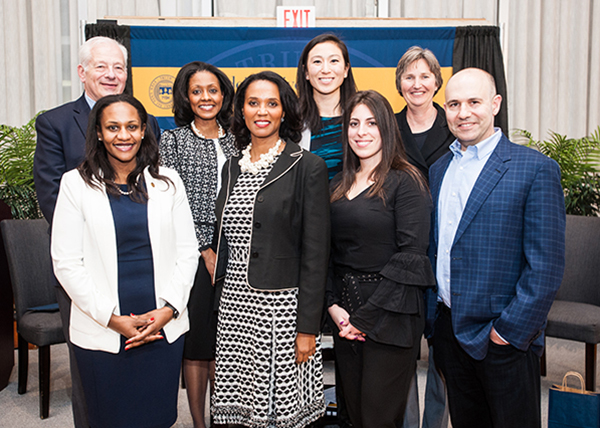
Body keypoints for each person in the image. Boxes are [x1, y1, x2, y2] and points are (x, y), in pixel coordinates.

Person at [33, 36, 160, 427]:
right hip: (86, 267)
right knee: (93, 369)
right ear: (82, 72)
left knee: (144, 364)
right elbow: (52, 196)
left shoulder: (148, 121)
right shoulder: (55, 122)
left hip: (142, 266)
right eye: (101, 66)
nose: (111, 74)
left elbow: (155, 190)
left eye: (118, 67)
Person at [427, 68, 566, 428]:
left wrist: (509, 332)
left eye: (474, 102)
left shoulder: (534, 169)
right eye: (454, 104)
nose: (464, 112)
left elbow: (546, 266)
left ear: (495, 104)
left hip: (503, 338)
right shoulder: (440, 169)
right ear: (444, 110)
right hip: (449, 333)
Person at [51, 93, 198, 428]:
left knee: (158, 416)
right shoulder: (75, 184)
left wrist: (168, 310)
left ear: (144, 130)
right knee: (109, 417)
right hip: (102, 326)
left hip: (162, 324)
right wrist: (112, 319)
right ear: (99, 133)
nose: (124, 135)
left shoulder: (169, 181)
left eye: (132, 126)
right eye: (113, 127)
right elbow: (66, 262)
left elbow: (187, 251)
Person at [211, 71, 330, 427]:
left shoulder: (307, 166)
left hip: (279, 309)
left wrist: (308, 327)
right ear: (241, 111)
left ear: (284, 111)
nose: (262, 111)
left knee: (278, 410)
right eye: (253, 103)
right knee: (239, 407)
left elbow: (315, 253)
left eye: (272, 103)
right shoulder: (231, 166)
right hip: (234, 305)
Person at [327, 90, 435, 428]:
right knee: (352, 415)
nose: (361, 132)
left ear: (387, 128)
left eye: (371, 123)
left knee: (377, 418)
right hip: (345, 314)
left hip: (391, 315)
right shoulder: (337, 184)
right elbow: (326, 252)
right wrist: (334, 307)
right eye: (354, 123)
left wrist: (365, 319)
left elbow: (412, 258)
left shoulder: (407, 181)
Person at [159, 61, 236, 428]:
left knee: (227, 339)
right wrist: (205, 248)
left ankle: (223, 415)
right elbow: (170, 201)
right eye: (197, 91)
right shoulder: (172, 140)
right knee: (199, 340)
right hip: (192, 250)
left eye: (213, 90)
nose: (206, 97)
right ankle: (198, 421)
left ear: (223, 94)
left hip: (238, 248)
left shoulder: (239, 136)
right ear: (186, 97)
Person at [394, 46, 453, 428]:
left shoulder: (457, 124)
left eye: (424, 76)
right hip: (401, 245)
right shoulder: (388, 126)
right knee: (399, 349)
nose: (417, 84)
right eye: (409, 76)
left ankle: (434, 423)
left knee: (444, 350)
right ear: (399, 83)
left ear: (437, 81)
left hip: (447, 245)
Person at [296, 33, 357, 180]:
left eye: (334, 61)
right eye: (317, 62)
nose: (325, 69)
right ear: (306, 72)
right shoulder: (292, 122)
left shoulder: (363, 118)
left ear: (346, 69)